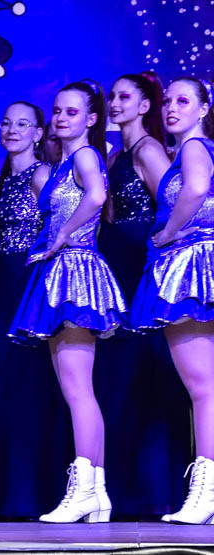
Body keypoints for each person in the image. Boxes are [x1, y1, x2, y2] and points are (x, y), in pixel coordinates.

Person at [9, 81, 126, 523]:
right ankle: (95, 492)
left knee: (79, 390)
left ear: (92, 119)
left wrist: (62, 233)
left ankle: (86, 491)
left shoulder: (85, 155)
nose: (60, 117)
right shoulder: (61, 164)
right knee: (74, 389)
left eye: (71, 112)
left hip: (76, 270)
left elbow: (96, 196)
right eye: (57, 110)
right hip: (59, 271)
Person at [96, 73, 190, 517]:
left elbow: (172, 205)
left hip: (142, 262)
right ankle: (128, 491)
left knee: (148, 373)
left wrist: (160, 255)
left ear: (144, 105)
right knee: (120, 377)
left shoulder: (149, 150)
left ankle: (157, 491)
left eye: (124, 97)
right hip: (117, 261)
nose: (114, 103)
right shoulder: (116, 154)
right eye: (112, 97)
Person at [129, 76, 214, 524]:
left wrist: (169, 230)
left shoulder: (195, 147)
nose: (171, 108)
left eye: (183, 101)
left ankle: (206, 492)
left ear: (204, 108)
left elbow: (196, 189)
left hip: (192, 265)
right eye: (168, 101)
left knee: (202, 388)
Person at [0, 102, 70, 518]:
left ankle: (33, 493)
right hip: (5, 281)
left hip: (31, 278)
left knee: (30, 382)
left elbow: (58, 231)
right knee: (4, 382)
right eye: (6, 122)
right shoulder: (5, 179)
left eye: (22, 124)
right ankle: (6, 495)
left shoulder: (41, 174)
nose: (11, 129)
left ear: (38, 133)